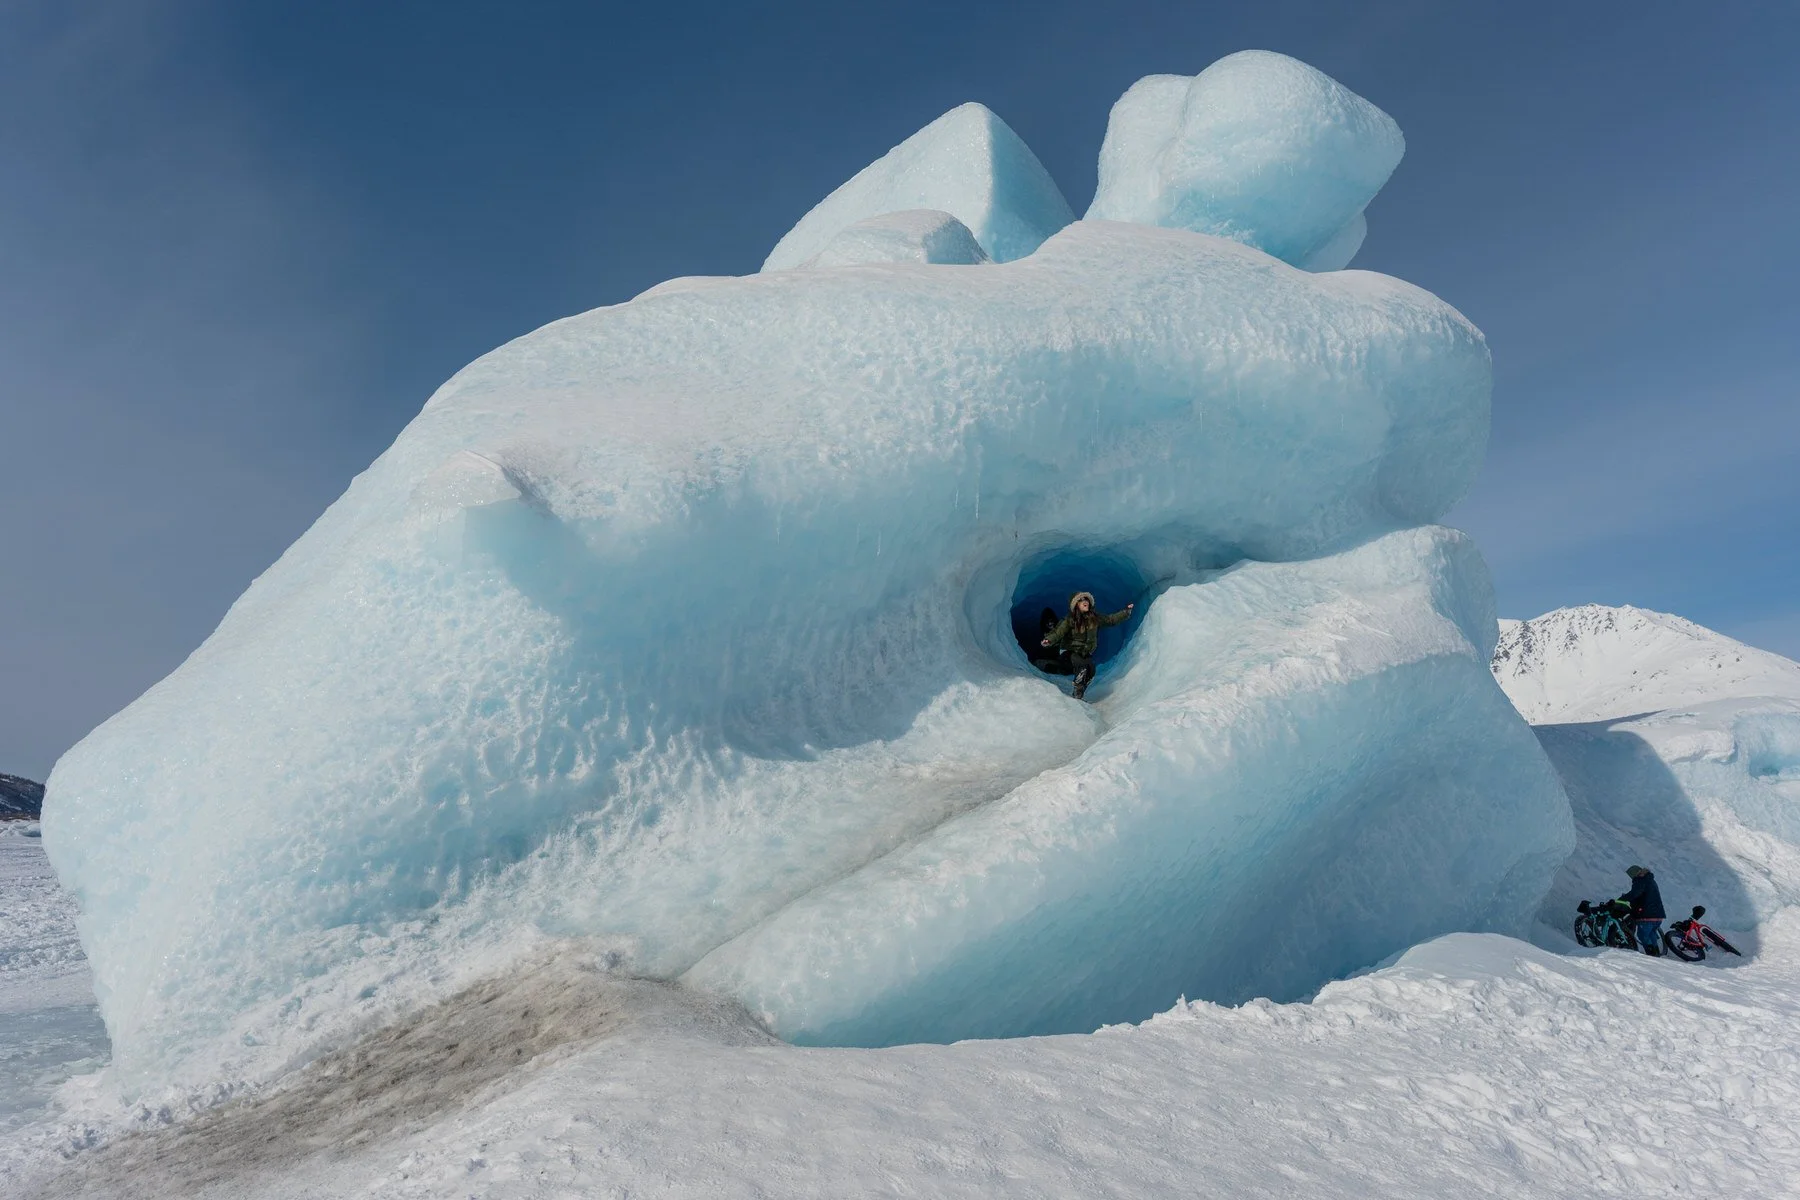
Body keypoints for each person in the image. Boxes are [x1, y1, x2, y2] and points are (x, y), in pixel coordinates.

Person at [1041, 591, 1134, 700]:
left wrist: (1126, 612)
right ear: (1076, 605)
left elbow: (1110, 620)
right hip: (1069, 651)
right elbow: (1058, 633)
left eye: (1086, 600)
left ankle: (1079, 692)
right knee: (1082, 667)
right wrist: (1048, 640)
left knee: (1091, 670)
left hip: (1084, 652)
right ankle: (1077, 692)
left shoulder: (1094, 618)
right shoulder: (1069, 620)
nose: (1085, 602)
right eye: (1081, 600)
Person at [1619, 865, 1666, 955]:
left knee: (1643, 936)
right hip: (1658, 915)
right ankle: (1656, 954)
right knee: (1651, 934)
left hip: (1646, 915)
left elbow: (1634, 894)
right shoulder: (1651, 880)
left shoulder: (1640, 880)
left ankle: (1651, 954)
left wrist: (1621, 899)